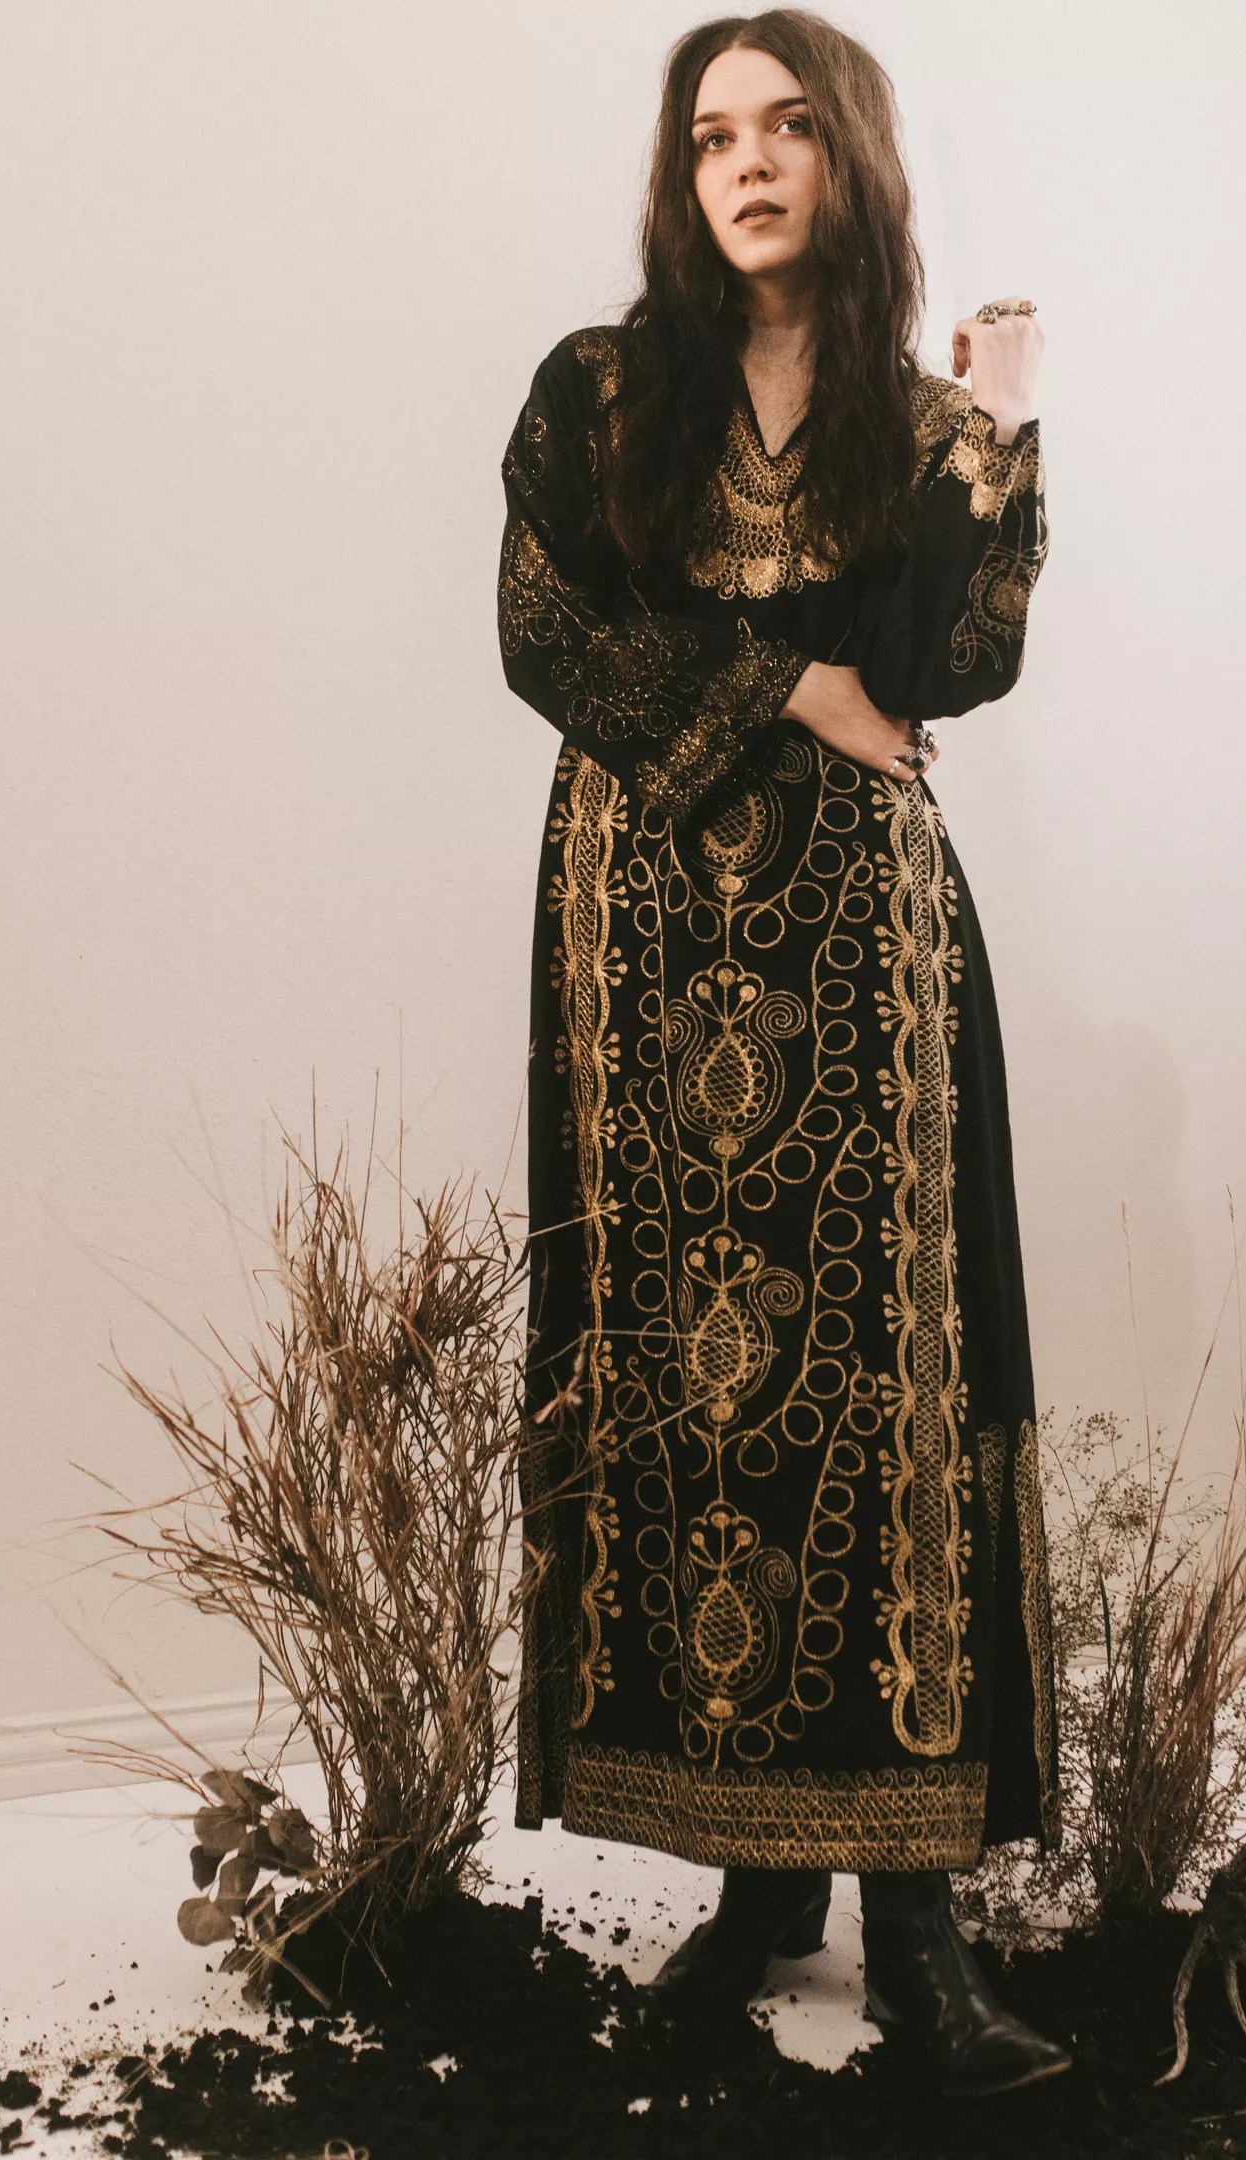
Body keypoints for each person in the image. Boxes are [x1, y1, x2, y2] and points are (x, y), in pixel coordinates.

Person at [499, 8, 1068, 2096]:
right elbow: (545, 634)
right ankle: (753, 1891)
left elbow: (948, 669)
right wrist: (785, 691)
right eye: (710, 134)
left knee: (889, 1383)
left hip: (860, 945)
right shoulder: (599, 391)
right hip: (639, 942)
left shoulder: (915, 420)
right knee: (685, 1385)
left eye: (786, 127)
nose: (745, 162)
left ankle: (916, 1932)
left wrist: (996, 436)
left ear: (850, 158)